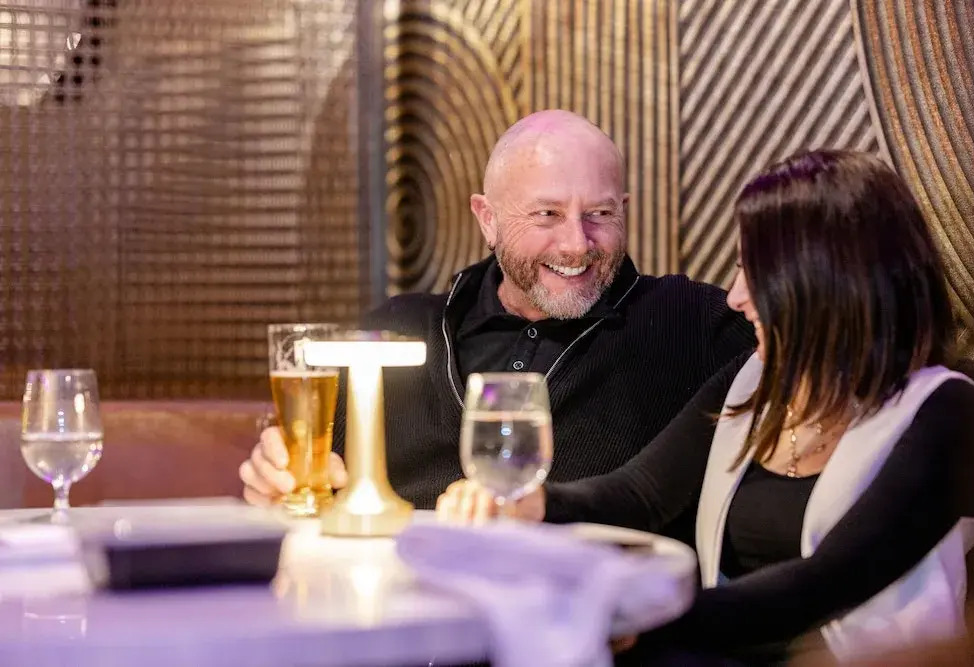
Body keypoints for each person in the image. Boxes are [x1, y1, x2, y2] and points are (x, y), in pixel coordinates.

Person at [437, 149, 974, 663]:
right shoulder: (753, 378)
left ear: (825, 278)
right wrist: (530, 504)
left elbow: (821, 584)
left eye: (754, 271)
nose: (734, 296)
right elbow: (642, 493)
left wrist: (647, 618)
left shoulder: (946, 411)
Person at [240, 109, 755, 511]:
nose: (577, 244)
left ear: (623, 210)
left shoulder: (693, 323)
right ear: (487, 219)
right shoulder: (394, 330)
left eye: (599, 214)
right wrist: (274, 475)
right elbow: (308, 472)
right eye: (547, 214)